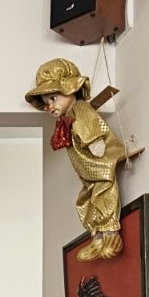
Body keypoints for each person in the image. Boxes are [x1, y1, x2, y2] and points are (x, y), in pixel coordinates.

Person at [25, 57, 126, 260]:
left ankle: (111, 234)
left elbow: (90, 126)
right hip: (87, 171)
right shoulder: (66, 118)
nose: (50, 106)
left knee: (104, 192)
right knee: (86, 198)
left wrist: (94, 142)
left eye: (53, 98)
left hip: (99, 165)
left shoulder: (80, 108)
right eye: (46, 102)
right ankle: (97, 236)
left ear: (71, 89)